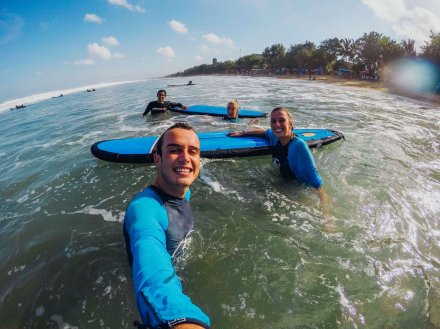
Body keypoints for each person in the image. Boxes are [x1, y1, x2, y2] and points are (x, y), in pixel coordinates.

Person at [123, 122, 210, 329]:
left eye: (193, 151)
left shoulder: (183, 191)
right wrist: (179, 319)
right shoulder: (145, 209)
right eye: (174, 150)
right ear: (157, 159)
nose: (185, 158)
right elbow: (153, 277)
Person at [228, 107, 329, 218]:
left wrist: (327, 217)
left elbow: (318, 187)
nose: (277, 125)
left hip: (296, 190)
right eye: (273, 121)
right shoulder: (276, 137)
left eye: (282, 120)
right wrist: (243, 133)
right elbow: (265, 132)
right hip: (280, 183)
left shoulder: (299, 146)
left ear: (290, 123)